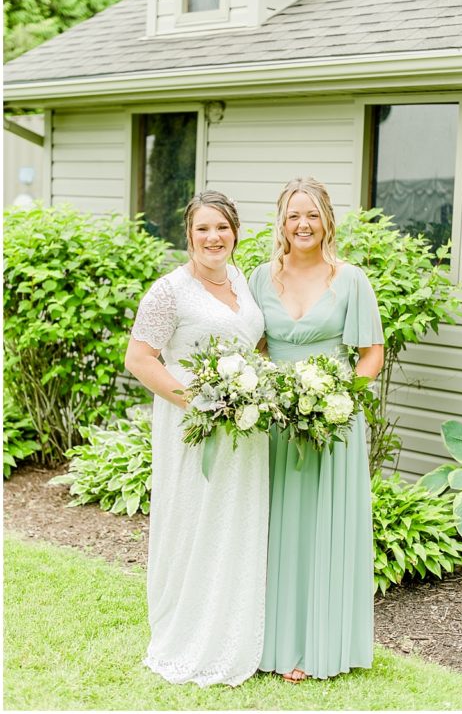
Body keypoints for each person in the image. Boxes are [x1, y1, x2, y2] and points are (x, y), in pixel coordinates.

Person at [125, 191, 269, 686]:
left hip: (244, 429)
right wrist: (199, 401)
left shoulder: (242, 281)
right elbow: (140, 359)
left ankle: (233, 625)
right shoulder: (168, 291)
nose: (213, 237)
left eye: (222, 228)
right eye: (203, 229)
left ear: (236, 232)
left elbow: (252, 342)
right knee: (196, 518)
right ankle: (189, 632)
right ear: (188, 235)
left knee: (235, 519)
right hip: (193, 425)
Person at [249, 177, 384, 682]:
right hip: (277, 423)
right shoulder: (260, 278)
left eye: (311, 215)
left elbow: (372, 353)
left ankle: (319, 644)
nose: (302, 225)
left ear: (327, 220)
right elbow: (255, 347)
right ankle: (273, 642)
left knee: (324, 530)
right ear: (281, 223)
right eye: (292, 216)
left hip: (333, 423)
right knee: (278, 529)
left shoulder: (351, 280)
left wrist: (340, 399)